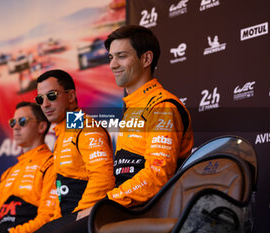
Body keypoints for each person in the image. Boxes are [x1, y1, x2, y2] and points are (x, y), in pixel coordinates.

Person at [53, 25, 194, 233]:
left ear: (146, 59)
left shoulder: (161, 105)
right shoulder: (134, 107)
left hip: (144, 212)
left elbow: (156, 176)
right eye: (110, 57)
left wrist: (103, 203)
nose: (113, 65)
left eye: (121, 56)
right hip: (124, 208)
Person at [34, 69, 115, 232]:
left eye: (51, 96)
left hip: (88, 216)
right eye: (40, 99)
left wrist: (78, 216)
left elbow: (103, 179)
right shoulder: (63, 133)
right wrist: (57, 220)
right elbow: (61, 191)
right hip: (69, 217)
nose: (45, 104)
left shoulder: (83, 126)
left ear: (70, 96)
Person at [0, 102, 59, 233]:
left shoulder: (51, 164)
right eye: (13, 122)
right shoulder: (8, 173)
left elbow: (47, 217)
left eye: (22, 121)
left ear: (41, 126)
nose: (15, 127)